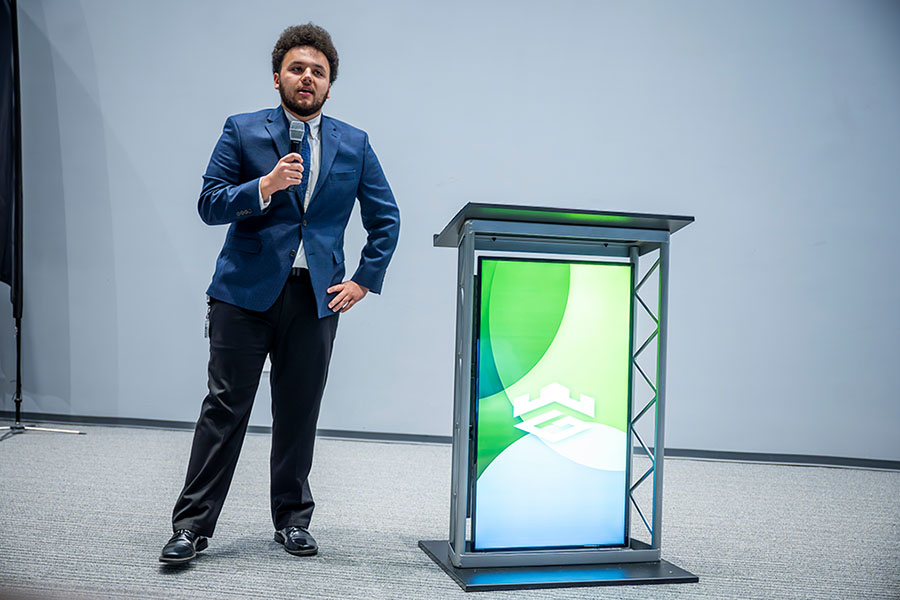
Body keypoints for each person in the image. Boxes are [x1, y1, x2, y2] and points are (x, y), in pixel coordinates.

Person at [159, 23, 400, 563]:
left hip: (315, 298)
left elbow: (386, 217)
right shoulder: (242, 131)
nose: (307, 77)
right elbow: (209, 204)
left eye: (318, 71)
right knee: (224, 409)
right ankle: (191, 527)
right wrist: (264, 187)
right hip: (242, 296)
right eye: (297, 68)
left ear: (330, 84)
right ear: (277, 78)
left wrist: (364, 280)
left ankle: (292, 520)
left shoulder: (354, 143)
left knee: (299, 412)